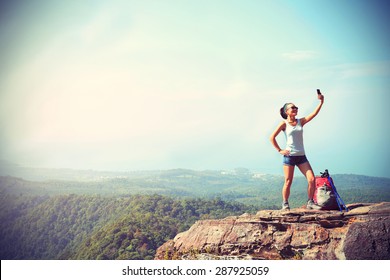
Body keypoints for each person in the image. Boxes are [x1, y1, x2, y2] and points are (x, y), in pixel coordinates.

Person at [269, 92, 324, 210]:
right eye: (292, 107)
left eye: (296, 107)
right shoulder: (283, 124)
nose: (295, 109)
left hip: (301, 156)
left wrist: (321, 102)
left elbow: (314, 114)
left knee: (312, 179)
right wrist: (280, 150)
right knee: (288, 181)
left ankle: (310, 202)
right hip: (289, 156)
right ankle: (285, 203)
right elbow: (271, 137)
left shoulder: (301, 121)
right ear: (286, 111)